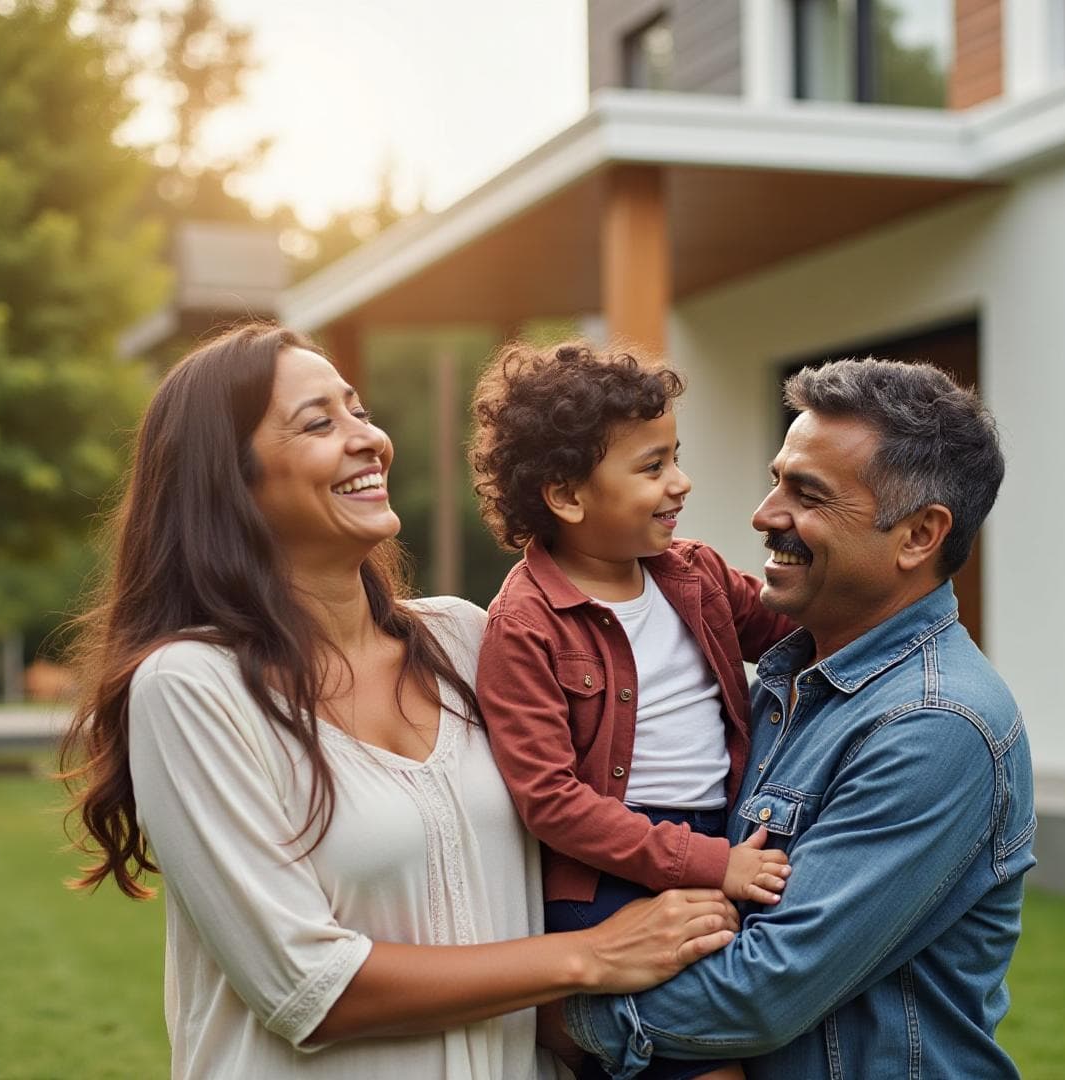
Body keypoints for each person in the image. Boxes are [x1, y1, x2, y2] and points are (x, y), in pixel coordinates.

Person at [57, 324, 739, 1079]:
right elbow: (306, 987)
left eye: (359, 410)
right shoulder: (192, 687)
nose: (370, 439)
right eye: (319, 422)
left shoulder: (467, 640)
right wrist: (590, 955)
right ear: (228, 479)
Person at [556, 357, 1036, 1079]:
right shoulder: (788, 680)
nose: (765, 514)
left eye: (807, 494)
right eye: (777, 478)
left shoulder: (935, 723)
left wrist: (549, 1006)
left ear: (917, 536)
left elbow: (761, 991)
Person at [467, 343, 799, 1080]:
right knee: (708, 1064)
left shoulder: (698, 574)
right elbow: (552, 802)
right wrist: (713, 864)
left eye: (674, 456)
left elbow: (798, 632)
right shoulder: (524, 625)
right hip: (610, 878)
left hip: (727, 837)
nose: (680, 483)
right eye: (652, 468)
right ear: (567, 495)